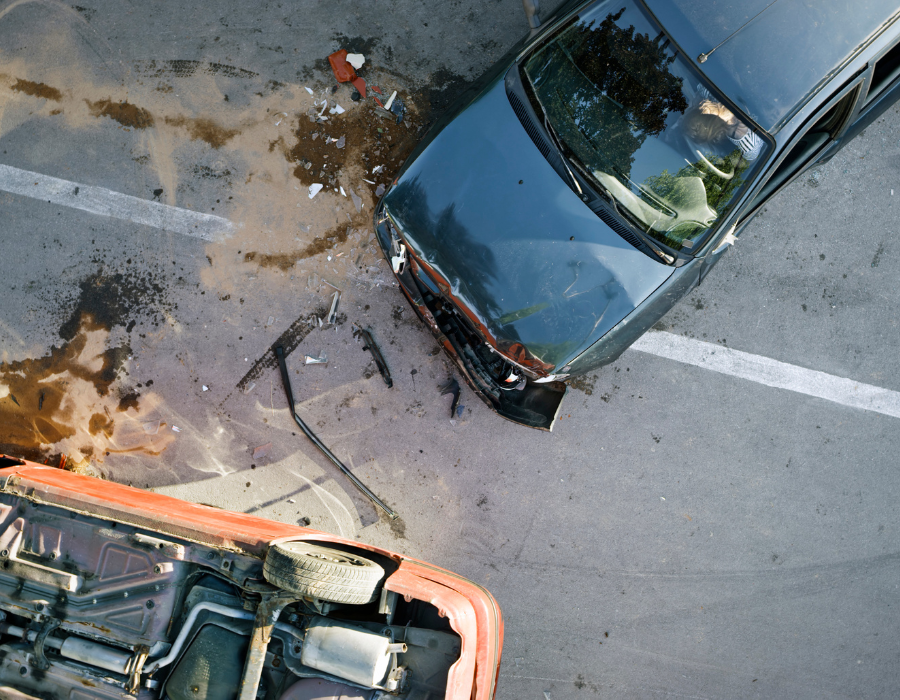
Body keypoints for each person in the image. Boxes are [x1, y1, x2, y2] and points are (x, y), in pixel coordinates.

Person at [683, 85, 763, 161]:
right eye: (701, 108)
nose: (702, 102)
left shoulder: (711, 95)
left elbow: (701, 87)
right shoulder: (749, 143)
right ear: (708, 113)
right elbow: (751, 160)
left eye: (696, 106)